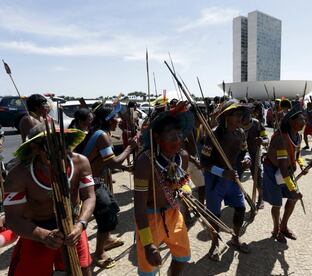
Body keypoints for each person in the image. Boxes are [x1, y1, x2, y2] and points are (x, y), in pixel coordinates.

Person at [4, 125, 96, 275]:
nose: (58, 155)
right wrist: (43, 235)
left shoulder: (80, 163)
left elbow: (89, 197)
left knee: (82, 270)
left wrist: (81, 224)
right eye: (50, 149)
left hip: (73, 228)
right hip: (35, 231)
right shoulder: (19, 176)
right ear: (35, 148)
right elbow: (13, 218)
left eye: (62, 147)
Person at [134, 104, 194, 275]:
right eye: (171, 135)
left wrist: (185, 190)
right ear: (157, 137)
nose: (177, 139)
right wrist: (147, 244)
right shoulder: (145, 162)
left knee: (183, 256)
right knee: (149, 269)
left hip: (174, 213)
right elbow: (138, 208)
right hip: (149, 218)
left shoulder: (182, 156)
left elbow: (182, 182)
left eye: (179, 134)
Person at [79, 106, 137, 268]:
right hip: (89, 183)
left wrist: (126, 168)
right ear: (109, 120)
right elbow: (113, 163)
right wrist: (130, 147)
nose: (118, 123)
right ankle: (99, 253)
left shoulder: (97, 132)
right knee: (106, 216)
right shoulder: (102, 136)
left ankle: (107, 239)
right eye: (116, 119)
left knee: (112, 207)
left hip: (94, 180)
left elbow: (106, 161)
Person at [201, 100, 251, 261]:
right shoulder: (213, 135)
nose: (240, 117)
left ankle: (235, 238)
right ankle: (214, 244)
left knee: (240, 208)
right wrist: (222, 172)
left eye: (241, 114)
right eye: (236, 114)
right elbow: (204, 162)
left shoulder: (240, 133)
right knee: (214, 214)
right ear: (227, 116)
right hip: (215, 180)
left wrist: (247, 159)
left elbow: (245, 151)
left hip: (233, 178)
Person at [263, 106, 305, 243]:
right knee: (277, 203)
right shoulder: (281, 139)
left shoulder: (298, 136)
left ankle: (284, 226)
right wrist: (292, 187)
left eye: (303, 118)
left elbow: (297, 155)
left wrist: (302, 164)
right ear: (291, 122)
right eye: (300, 119)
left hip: (287, 170)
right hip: (274, 170)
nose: (303, 122)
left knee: (293, 199)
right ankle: (276, 230)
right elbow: (282, 168)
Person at [242, 102, 269, 209]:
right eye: (242, 116)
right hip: (240, 154)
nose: (244, 118)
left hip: (254, 153)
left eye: (247, 115)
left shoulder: (257, 124)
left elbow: (266, 139)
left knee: (257, 177)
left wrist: (262, 141)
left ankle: (261, 198)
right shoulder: (236, 125)